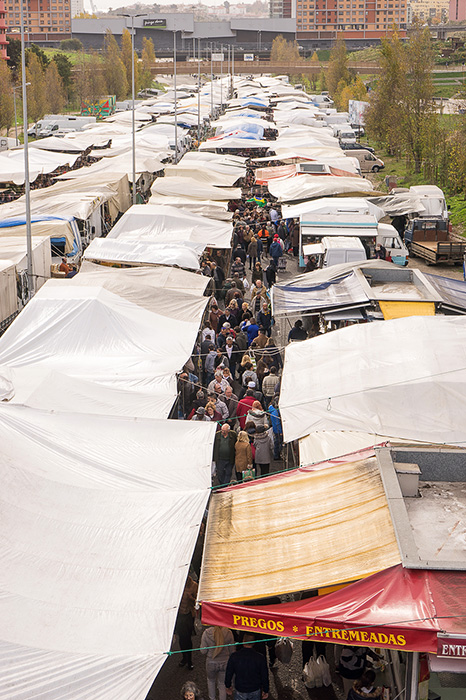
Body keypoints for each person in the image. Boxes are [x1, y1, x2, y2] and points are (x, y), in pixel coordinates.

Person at [225, 632, 269, 700]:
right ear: (254, 643)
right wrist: (266, 689)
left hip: (240, 688)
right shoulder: (260, 657)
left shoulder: (234, 656)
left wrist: (228, 686)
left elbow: (229, 672)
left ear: (243, 641)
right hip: (255, 688)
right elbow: (264, 675)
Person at [201, 626, 235, 700]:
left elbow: (203, 651)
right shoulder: (228, 633)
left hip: (211, 662)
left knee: (211, 681)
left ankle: (212, 698)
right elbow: (232, 651)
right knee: (222, 684)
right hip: (225, 661)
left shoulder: (206, 633)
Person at [175, 575, 198, 670]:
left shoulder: (194, 586)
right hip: (179, 616)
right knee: (181, 638)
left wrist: (191, 598)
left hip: (188, 615)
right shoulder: (177, 584)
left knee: (187, 639)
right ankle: (184, 657)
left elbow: (198, 602)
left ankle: (189, 660)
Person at [268, 396, 283, 461]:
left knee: (276, 442)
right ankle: (276, 455)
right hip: (278, 430)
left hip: (274, 429)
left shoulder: (272, 410)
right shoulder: (276, 413)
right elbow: (277, 423)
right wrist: (280, 432)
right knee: (278, 443)